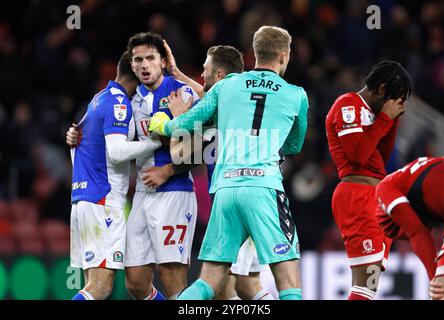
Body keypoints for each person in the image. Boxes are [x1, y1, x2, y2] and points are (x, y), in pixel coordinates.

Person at [149, 25, 308, 300]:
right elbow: (294, 145)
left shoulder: (227, 86)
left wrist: (165, 126)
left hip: (225, 189)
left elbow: (189, 120)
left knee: (208, 283)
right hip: (263, 188)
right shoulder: (296, 95)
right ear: (284, 56)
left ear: (255, 52)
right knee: (287, 279)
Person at [69, 52, 162, 300]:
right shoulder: (119, 103)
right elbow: (118, 151)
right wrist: (155, 143)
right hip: (103, 201)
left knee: (93, 285)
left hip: (83, 198)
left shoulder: (98, 99)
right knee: (100, 287)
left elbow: (76, 147)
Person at [325, 60, 413, 300]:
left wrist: (392, 121)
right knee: (365, 285)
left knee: (370, 286)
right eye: (395, 99)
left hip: (376, 201)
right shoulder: (348, 104)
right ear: (382, 89)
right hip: (358, 197)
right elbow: (357, 156)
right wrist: (384, 118)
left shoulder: (372, 114)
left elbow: (380, 159)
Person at [124, 31, 199, 300]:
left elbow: (203, 149)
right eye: (138, 60)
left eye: (151, 58)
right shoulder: (131, 101)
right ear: (131, 65)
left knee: (171, 277)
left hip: (174, 193)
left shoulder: (184, 94)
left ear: (163, 62)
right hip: (143, 195)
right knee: (135, 281)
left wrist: (167, 171)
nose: (144, 65)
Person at [375, 156, 444, 300]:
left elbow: (417, 232)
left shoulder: (385, 188)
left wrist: (434, 276)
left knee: (442, 291)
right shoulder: (420, 171)